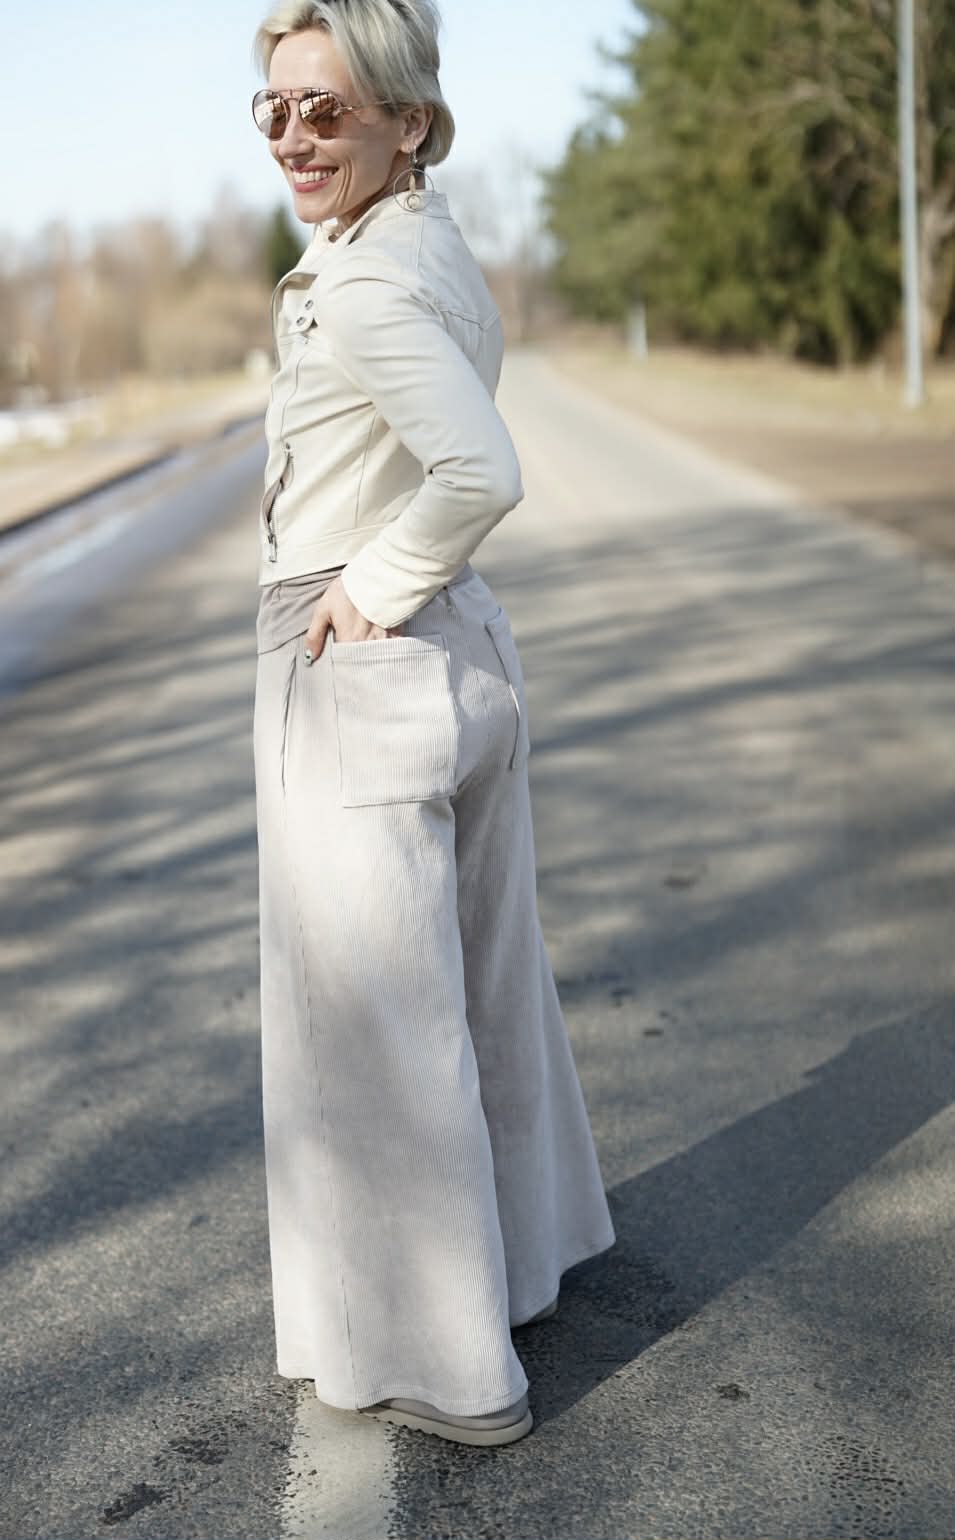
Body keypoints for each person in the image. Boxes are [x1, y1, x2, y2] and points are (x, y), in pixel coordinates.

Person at [250, 0, 616, 1448]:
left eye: (327, 109)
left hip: (361, 645)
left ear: (408, 121)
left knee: (377, 1027)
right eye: (276, 109)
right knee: (486, 988)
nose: (295, 137)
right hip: (460, 648)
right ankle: (518, 1274)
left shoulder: (357, 286)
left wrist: (366, 590)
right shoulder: (430, 249)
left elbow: (481, 467)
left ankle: (449, 1370)